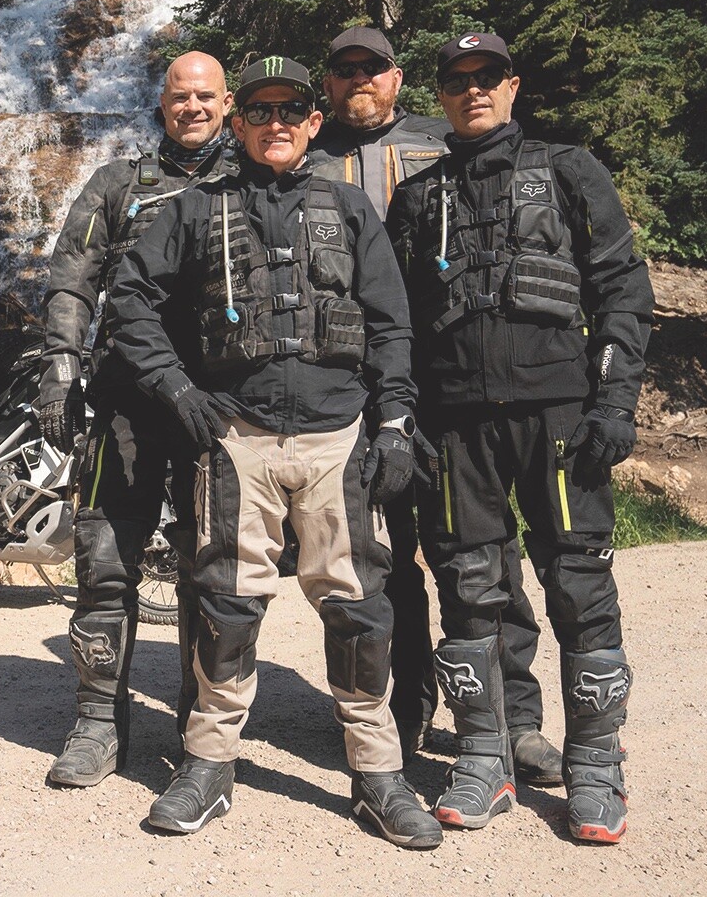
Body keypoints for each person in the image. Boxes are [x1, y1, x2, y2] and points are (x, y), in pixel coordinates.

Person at [107, 55, 443, 849]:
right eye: (258, 111)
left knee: (360, 608)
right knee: (224, 605)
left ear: (314, 121)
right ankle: (209, 764)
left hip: (340, 437)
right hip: (236, 441)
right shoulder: (195, 210)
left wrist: (394, 421)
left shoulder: (351, 208)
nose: (276, 123)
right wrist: (178, 392)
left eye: (291, 109)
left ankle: (378, 775)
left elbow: (393, 323)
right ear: (237, 122)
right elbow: (131, 301)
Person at [385, 32, 652, 843]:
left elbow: (619, 290)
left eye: (486, 78)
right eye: (457, 80)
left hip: (560, 417)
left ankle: (597, 770)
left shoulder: (571, 170)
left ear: (512, 86)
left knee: (578, 587)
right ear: (441, 93)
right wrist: (401, 418)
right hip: (456, 425)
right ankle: (482, 756)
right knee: (468, 588)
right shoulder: (417, 197)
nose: (472, 91)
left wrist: (615, 401)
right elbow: (394, 324)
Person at [308, 27, 564, 786]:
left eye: (373, 67)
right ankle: (406, 705)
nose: (359, 78)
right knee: (380, 563)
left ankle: (513, 719)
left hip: (449, 381)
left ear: (398, 78)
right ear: (327, 85)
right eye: (344, 68)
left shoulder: (442, 145)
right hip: (350, 385)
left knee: (478, 557)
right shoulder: (302, 157)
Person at [39, 50, 240, 787]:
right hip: (122, 400)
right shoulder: (116, 185)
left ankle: (199, 723)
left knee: (210, 569)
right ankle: (96, 722)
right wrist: (60, 364)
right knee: (105, 562)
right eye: (179, 97)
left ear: (227, 105)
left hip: (213, 407)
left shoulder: (250, 183)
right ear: (163, 105)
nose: (192, 107)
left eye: (205, 97)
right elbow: (71, 279)